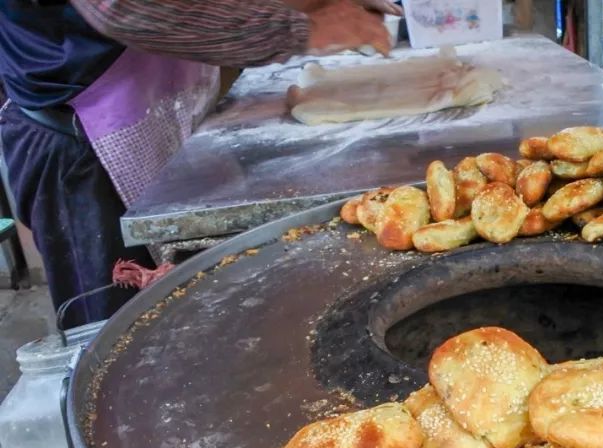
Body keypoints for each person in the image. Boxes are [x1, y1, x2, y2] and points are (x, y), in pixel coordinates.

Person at [0, 0, 399, 327]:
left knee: (218, 320)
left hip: (172, 111)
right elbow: (127, 7)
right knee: (126, 348)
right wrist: (296, 27)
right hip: (82, 150)